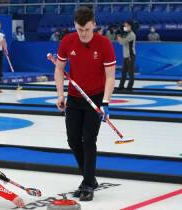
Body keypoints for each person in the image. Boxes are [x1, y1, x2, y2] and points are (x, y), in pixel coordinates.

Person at [54, 6, 116, 202]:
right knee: (73, 140)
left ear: (94, 24)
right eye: (80, 30)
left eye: (87, 29)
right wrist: (60, 94)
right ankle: (90, 179)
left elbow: (110, 76)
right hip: (74, 97)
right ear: (75, 26)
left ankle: (88, 183)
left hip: (96, 98)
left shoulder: (104, 43)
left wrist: (106, 102)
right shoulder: (67, 41)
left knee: (88, 140)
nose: (83, 34)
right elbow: (59, 70)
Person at [117, 20, 136, 91]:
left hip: (130, 55)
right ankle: (121, 86)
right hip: (126, 56)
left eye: (126, 25)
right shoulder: (127, 33)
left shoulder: (132, 35)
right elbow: (121, 41)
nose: (124, 27)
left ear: (130, 26)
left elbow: (122, 42)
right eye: (124, 25)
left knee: (130, 72)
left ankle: (129, 87)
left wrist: (118, 36)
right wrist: (120, 34)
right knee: (123, 72)